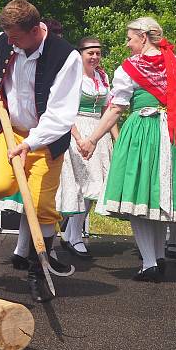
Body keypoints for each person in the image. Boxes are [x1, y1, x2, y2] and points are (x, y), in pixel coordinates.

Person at [81, 17, 176, 282]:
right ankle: (156, 257)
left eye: (130, 38)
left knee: (139, 196)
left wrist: (92, 138)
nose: (128, 44)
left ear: (143, 37)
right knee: (156, 199)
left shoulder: (130, 68)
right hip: (173, 134)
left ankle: (150, 261)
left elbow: (115, 108)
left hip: (143, 132)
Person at [0, 0, 82, 302]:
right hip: (10, 132)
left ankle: (38, 273)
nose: (11, 44)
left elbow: (61, 115)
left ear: (35, 30)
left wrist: (29, 144)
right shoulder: (4, 41)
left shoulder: (66, 57)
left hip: (46, 140)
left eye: (16, 39)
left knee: (39, 206)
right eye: (8, 38)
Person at [56, 38, 116, 259]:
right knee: (79, 183)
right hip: (77, 128)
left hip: (98, 130)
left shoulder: (103, 77)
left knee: (94, 186)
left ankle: (73, 234)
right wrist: (80, 138)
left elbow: (110, 110)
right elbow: (65, 109)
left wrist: (116, 138)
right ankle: (74, 236)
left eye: (98, 53)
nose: (95, 57)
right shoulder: (73, 76)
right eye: (90, 53)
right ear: (80, 54)